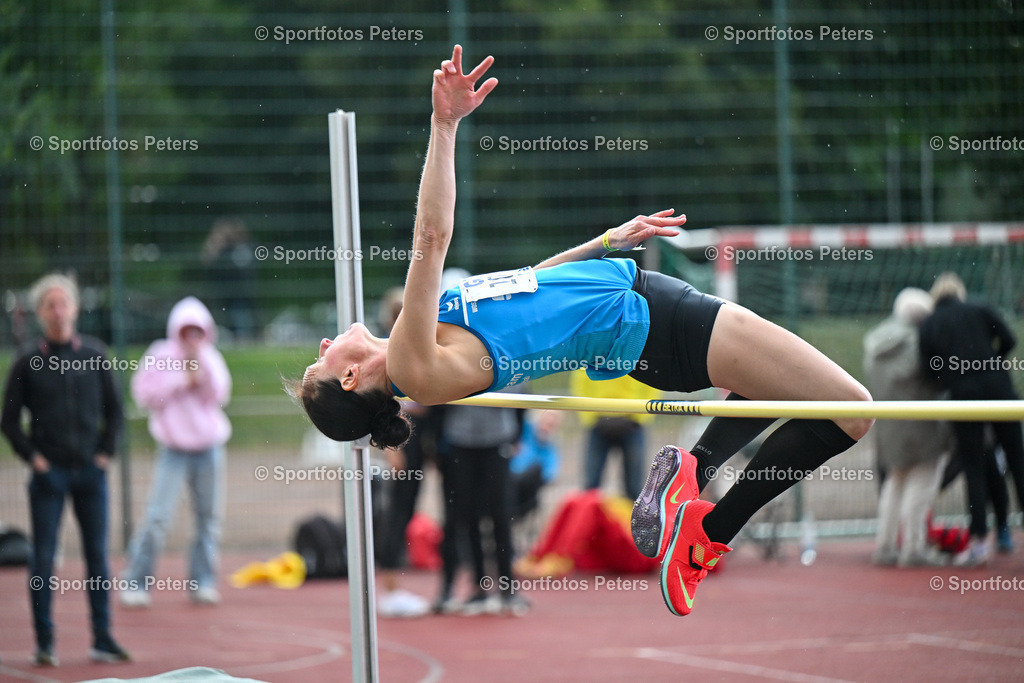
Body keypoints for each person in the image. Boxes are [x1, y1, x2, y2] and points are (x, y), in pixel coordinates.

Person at [291, 46, 872, 617]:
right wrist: (444, 126)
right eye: (321, 362)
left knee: (793, 394)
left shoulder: (424, 342)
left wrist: (604, 243)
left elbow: (529, 286)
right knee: (853, 410)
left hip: (643, 311)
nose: (323, 345)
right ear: (350, 377)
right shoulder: (414, 366)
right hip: (651, 323)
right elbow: (431, 237)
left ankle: (697, 487)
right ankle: (706, 528)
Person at [1, 273, 130, 665]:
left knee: (97, 557)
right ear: (40, 313)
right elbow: (9, 421)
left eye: (63, 303)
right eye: (49, 305)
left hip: (91, 473)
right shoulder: (27, 361)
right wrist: (34, 459)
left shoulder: (95, 354)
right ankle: (45, 643)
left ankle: (102, 638)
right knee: (43, 558)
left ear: (75, 308)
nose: (58, 311)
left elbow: (116, 411)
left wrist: (104, 453)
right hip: (49, 475)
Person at [120, 296, 231, 606]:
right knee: (157, 517)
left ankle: (203, 581)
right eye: (186, 330)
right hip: (173, 449)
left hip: (208, 448)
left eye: (198, 330)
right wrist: (181, 380)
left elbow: (220, 394)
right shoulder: (160, 354)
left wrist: (201, 370)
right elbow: (143, 394)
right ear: (176, 329)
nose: (192, 336)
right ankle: (136, 581)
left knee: (208, 519)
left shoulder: (210, 356)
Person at [918, 272, 1024, 567]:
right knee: (1017, 461)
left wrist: (952, 376)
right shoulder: (979, 308)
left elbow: (928, 369)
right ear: (959, 292)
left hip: (963, 396)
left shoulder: (931, 323)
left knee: (973, 466)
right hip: (999, 390)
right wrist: (991, 362)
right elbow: (1010, 339)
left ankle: (979, 540)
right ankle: (1006, 529)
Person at [863, 288, 951, 567]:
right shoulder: (919, 341)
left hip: (889, 425)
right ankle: (914, 548)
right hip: (921, 422)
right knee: (921, 486)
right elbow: (935, 378)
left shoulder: (876, 341)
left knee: (895, 483)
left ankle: (885, 545)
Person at [434, 394, 526, 616]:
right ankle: (476, 587)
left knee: (501, 516)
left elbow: (522, 394)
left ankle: (508, 588)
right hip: (458, 441)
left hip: (498, 440)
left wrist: (517, 435)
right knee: (463, 517)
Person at [374, 286, 434, 619]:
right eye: (398, 313)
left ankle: (394, 586)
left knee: (407, 511)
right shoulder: (387, 351)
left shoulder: (415, 346)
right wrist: (392, 451)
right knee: (396, 513)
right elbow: (386, 404)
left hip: (418, 436)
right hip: (399, 437)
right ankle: (389, 588)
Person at [571, 370, 660, 500]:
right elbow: (580, 383)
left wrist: (638, 418)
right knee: (591, 486)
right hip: (601, 422)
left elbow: (652, 383)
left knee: (634, 487)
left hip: (631, 422)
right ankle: (590, 512)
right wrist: (591, 418)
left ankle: (632, 513)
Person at [508, 410, 562, 520]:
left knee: (536, 470)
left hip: (528, 489)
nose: (547, 427)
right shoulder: (523, 431)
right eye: (546, 422)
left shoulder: (550, 448)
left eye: (551, 425)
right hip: (511, 478)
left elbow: (550, 473)